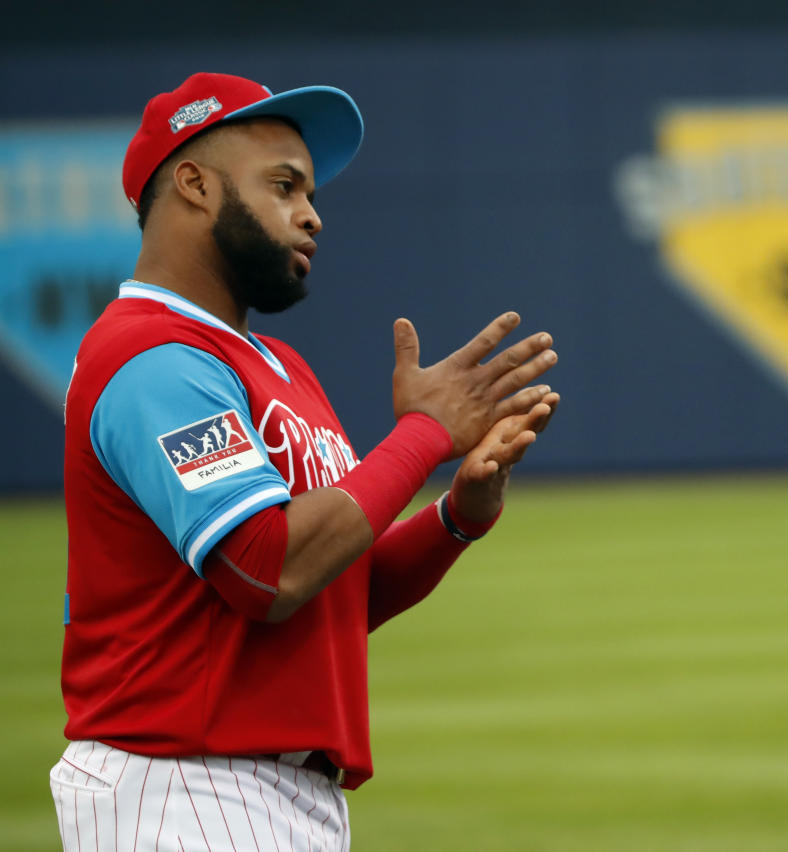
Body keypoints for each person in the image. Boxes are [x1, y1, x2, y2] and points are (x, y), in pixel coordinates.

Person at [52, 72, 559, 850]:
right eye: (283, 185)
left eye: (311, 192)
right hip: (182, 787)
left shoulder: (272, 363)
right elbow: (270, 571)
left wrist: (455, 518)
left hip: (258, 792)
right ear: (194, 183)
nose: (312, 214)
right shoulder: (151, 354)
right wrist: (422, 435)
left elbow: (333, 595)